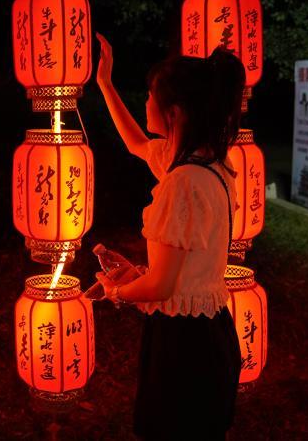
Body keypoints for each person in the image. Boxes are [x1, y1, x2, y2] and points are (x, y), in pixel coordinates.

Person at [92, 33, 244, 440]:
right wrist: (105, 83)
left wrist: (115, 291)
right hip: (212, 331)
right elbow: (137, 144)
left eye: (150, 96)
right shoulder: (212, 164)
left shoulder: (183, 182)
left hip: (184, 347)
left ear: (173, 113)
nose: (145, 102)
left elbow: (161, 286)